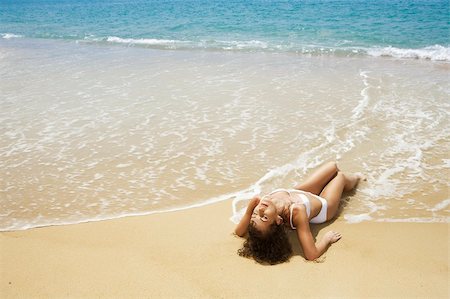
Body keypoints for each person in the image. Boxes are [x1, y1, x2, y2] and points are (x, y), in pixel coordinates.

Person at [234, 162, 363, 264]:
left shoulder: (259, 204)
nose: (260, 210)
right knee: (340, 177)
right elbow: (311, 255)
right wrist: (326, 239)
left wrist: (250, 209)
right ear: (278, 220)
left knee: (332, 166)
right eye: (265, 217)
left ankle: (346, 179)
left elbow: (239, 232)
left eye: (255, 215)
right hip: (324, 206)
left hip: (300, 192)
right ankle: (356, 178)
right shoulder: (296, 212)